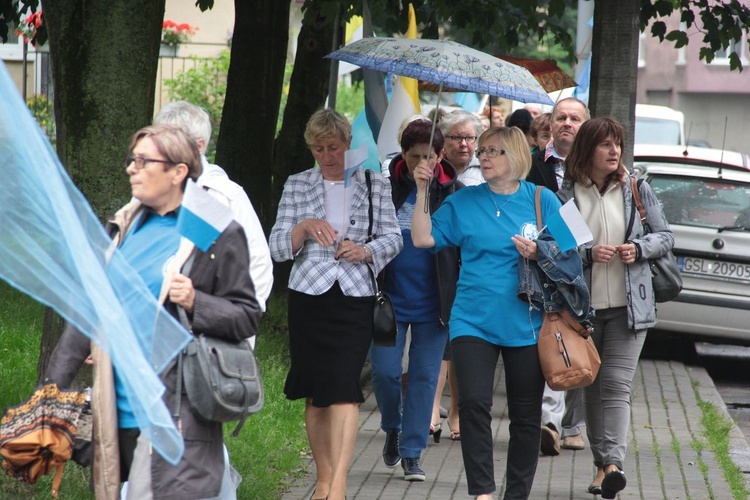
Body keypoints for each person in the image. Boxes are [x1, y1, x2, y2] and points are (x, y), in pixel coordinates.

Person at [46, 124, 262, 499]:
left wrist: (197, 301)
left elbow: (246, 315)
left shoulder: (213, 232)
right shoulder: (124, 226)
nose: (132, 167)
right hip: (116, 416)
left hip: (175, 418)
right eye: (132, 159)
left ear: (178, 172)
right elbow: (89, 314)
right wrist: (47, 399)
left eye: (144, 161)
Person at [411, 127, 588, 499]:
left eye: (495, 151)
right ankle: (482, 492)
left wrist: (541, 252)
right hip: (472, 319)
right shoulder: (462, 201)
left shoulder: (544, 199)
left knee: (525, 417)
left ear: (517, 156)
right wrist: (423, 190)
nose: (484, 156)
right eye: (484, 149)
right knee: (473, 403)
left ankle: (517, 494)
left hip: (529, 323)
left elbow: (579, 254)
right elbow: (422, 239)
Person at [269, 108, 402, 500]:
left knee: (344, 387)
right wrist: (303, 228)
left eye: (334, 147)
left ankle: (339, 484)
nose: (327, 155)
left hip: (354, 298)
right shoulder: (297, 184)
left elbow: (394, 239)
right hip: (308, 297)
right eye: (319, 149)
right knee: (314, 390)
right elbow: (277, 248)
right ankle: (322, 480)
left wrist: (365, 251)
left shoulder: (374, 182)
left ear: (348, 144)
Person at [557, 117, 675, 498]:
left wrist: (638, 248)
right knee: (592, 386)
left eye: (618, 145)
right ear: (587, 149)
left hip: (631, 308)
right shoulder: (568, 191)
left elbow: (666, 237)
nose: (614, 152)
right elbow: (557, 248)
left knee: (616, 387)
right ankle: (602, 467)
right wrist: (588, 254)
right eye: (605, 145)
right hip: (584, 311)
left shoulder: (636, 189)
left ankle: (613, 464)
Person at [369, 119, 460, 482]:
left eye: (429, 156)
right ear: (402, 154)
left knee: (423, 377)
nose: (421, 162)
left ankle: (412, 451)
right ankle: (393, 425)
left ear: (440, 156)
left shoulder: (451, 192)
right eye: (413, 156)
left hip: (434, 302)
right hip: (388, 299)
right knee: (385, 371)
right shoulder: (383, 187)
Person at [154, 101, 273, 317]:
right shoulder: (154, 191)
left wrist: (237, 320)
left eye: (172, 142)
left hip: (209, 327)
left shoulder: (219, 195)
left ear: (199, 146)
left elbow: (259, 263)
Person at [526, 97, 590, 456]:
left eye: (574, 118)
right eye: (560, 117)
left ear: (585, 125)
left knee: (575, 341)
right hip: (541, 265)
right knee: (548, 339)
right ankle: (545, 422)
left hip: (584, 266)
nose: (566, 123)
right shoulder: (534, 166)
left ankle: (567, 424)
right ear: (550, 124)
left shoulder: (594, 168)